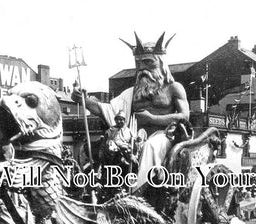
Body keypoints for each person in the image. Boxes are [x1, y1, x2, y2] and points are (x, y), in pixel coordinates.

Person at [72, 32, 190, 194]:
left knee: (150, 147)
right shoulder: (132, 93)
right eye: (138, 63)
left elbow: (184, 116)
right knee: (106, 147)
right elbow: (106, 109)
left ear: (161, 63)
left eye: (148, 62)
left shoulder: (174, 88)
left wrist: (153, 118)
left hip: (164, 136)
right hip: (133, 136)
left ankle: (137, 194)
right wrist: (83, 100)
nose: (142, 68)